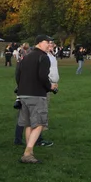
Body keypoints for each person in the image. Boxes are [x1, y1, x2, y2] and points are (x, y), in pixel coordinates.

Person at [15, 35, 58, 163]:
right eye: (47, 42)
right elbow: (42, 76)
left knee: (28, 124)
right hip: (36, 95)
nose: (49, 44)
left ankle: (30, 151)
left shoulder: (26, 57)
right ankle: (28, 153)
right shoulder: (43, 57)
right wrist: (51, 86)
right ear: (39, 43)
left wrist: (22, 87)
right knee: (39, 124)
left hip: (23, 94)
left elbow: (18, 75)